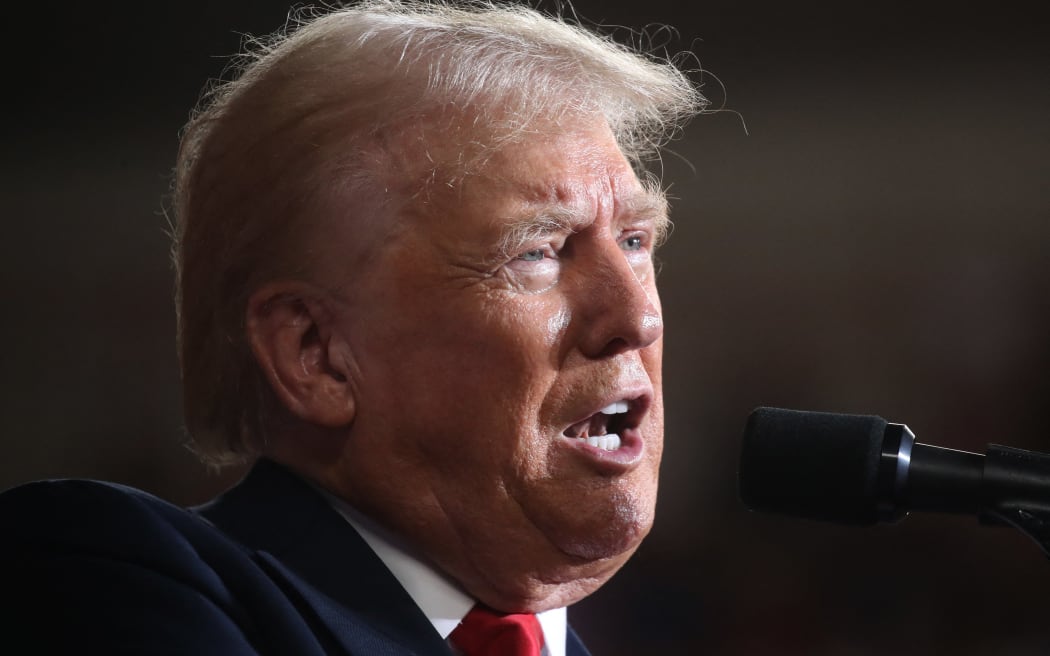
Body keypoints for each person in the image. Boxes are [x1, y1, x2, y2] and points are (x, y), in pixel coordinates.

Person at [1, 1, 703, 653]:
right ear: (317, 354)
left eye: (637, 241)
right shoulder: (106, 578)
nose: (636, 316)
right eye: (538, 252)